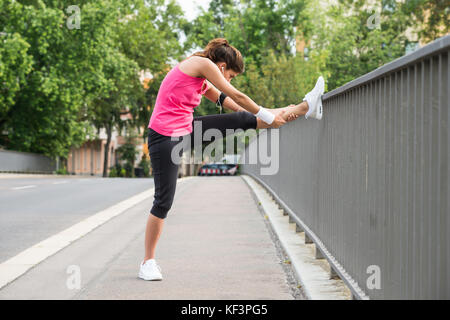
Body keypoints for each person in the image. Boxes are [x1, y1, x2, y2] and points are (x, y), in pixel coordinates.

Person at [139, 38, 324, 281]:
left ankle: (305, 107)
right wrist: (266, 116)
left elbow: (228, 102)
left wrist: (260, 117)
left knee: (243, 120)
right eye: (231, 75)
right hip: (164, 137)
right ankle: (147, 262)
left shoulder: (201, 77)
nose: (229, 80)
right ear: (222, 66)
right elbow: (236, 94)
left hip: (185, 129)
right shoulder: (201, 64)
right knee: (163, 201)